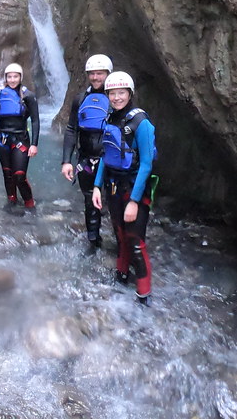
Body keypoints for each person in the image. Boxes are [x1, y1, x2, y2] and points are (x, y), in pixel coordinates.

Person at [91, 71, 157, 305]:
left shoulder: (142, 123)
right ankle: (121, 277)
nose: (117, 97)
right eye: (112, 93)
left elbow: (147, 163)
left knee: (135, 242)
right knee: (120, 236)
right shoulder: (110, 119)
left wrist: (134, 201)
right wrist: (97, 186)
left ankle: (143, 296)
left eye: (121, 93)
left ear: (130, 93)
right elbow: (105, 156)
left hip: (133, 189)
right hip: (113, 187)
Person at [60, 54, 113, 251]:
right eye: (92, 73)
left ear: (108, 74)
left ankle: (121, 247)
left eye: (100, 73)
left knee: (114, 202)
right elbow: (71, 129)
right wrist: (66, 160)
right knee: (90, 200)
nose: (95, 77)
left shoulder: (117, 98)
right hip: (87, 159)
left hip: (111, 160)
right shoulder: (80, 99)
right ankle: (93, 241)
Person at [0, 63, 39, 208]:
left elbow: (36, 121)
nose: (12, 80)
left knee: (19, 175)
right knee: (7, 173)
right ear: (6, 78)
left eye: (15, 76)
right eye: (9, 77)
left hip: (21, 139)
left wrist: (34, 144)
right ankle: (11, 201)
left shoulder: (28, 96)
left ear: (20, 77)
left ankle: (29, 203)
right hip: (2, 139)